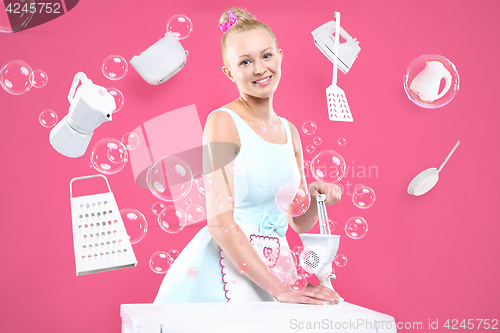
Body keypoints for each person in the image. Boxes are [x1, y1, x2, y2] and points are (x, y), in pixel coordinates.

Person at [154, 7, 342, 305]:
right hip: (224, 270)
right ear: (230, 72)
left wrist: (317, 199)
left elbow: (297, 222)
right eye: (245, 61)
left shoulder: (290, 132)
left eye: (266, 56)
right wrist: (280, 290)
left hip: (277, 268)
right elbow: (219, 222)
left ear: (280, 55)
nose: (259, 69)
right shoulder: (223, 122)